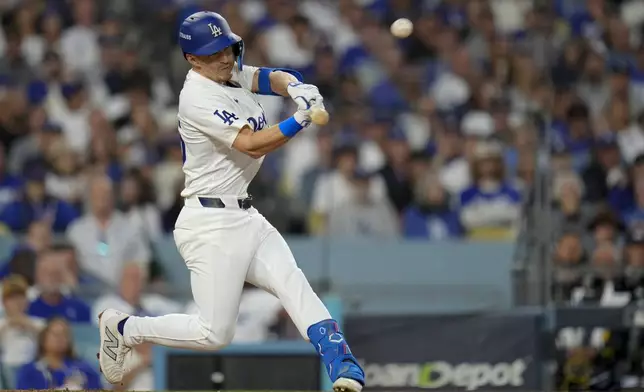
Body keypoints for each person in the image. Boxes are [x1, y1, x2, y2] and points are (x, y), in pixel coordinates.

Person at [97, 11, 365, 392]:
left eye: (227, 47)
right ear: (192, 59)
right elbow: (251, 144)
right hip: (209, 224)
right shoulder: (196, 96)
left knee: (293, 283)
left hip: (245, 214)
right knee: (214, 334)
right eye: (213, 53)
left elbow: (268, 76)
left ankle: (343, 365)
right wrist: (299, 120)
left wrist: (295, 88)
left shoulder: (226, 70)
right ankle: (125, 328)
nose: (225, 57)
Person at [15, 317, 101, 390]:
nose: (60, 338)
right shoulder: (29, 371)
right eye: (55, 334)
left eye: (64, 334)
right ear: (43, 338)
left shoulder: (84, 369)